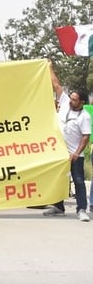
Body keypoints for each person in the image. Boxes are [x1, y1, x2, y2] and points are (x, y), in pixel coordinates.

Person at [44, 65, 91, 221]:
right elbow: (56, 84)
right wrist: (48, 66)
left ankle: (82, 209)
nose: (71, 100)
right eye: (71, 98)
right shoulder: (64, 104)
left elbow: (86, 136)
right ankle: (58, 207)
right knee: (59, 179)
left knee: (78, 181)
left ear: (82, 101)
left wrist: (77, 153)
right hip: (59, 153)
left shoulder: (84, 116)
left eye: (75, 99)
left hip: (75, 155)